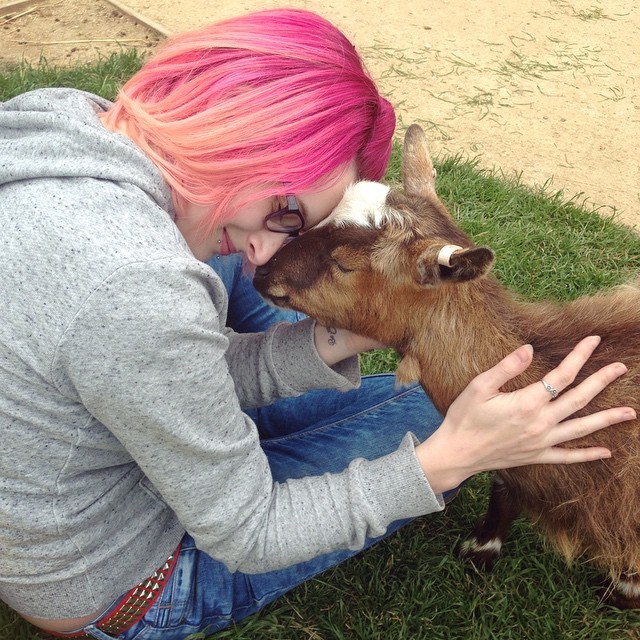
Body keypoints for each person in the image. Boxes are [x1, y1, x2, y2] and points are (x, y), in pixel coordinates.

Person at [0, 8, 634, 640]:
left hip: (78, 476)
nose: (273, 248)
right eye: (286, 210)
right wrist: (450, 460)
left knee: (420, 399)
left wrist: (356, 327)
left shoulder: (67, 122)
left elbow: (163, 366)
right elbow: (250, 532)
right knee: (435, 417)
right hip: (117, 581)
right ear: (249, 140)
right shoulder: (136, 287)